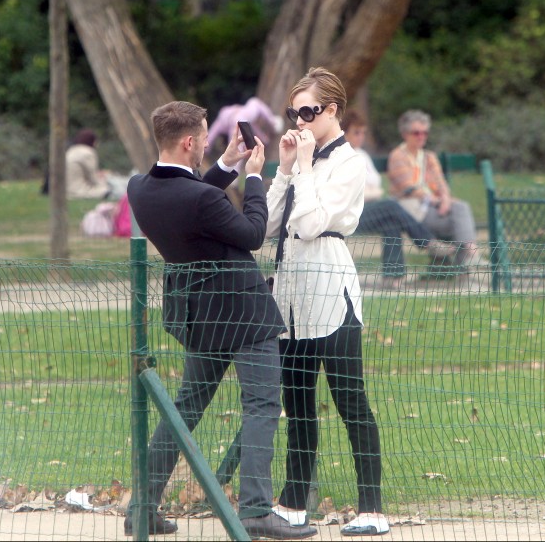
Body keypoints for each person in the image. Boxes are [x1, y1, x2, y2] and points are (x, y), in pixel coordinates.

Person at [126, 101, 316, 540]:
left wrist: (228, 162)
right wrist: (254, 176)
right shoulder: (201, 197)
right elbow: (250, 233)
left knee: (184, 410)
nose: (209, 145)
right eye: (207, 139)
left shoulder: (140, 188)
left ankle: (142, 507)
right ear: (189, 141)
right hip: (244, 312)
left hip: (200, 315)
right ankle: (253, 509)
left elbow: (193, 198)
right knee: (262, 406)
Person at [266, 67, 389, 537]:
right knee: (296, 403)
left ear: (331, 111)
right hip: (290, 292)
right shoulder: (302, 158)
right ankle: (295, 503)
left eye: (306, 112)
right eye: (292, 112)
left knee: (350, 400)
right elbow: (266, 227)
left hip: (331, 290)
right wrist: (283, 169)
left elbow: (315, 223)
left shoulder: (348, 163)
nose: (298, 121)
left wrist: (303, 168)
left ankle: (372, 508)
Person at [342, 109, 456, 288]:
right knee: (391, 205)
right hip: (350, 213)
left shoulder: (361, 155)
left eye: (363, 132)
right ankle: (427, 242)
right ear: (344, 133)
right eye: (356, 132)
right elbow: (352, 192)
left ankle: (392, 277)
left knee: (391, 221)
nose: (361, 137)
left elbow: (375, 188)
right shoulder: (341, 156)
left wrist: (372, 192)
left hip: (369, 208)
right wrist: (372, 192)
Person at [387, 109, 479, 267]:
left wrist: (445, 199)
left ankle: (467, 260)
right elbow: (408, 189)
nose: (421, 136)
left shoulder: (429, 157)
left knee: (460, 210)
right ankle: (469, 261)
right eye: (416, 133)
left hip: (433, 208)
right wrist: (437, 201)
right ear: (405, 134)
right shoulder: (398, 156)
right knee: (460, 216)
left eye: (425, 133)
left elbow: (441, 183)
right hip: (413, 211)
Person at [65, 129, 129, 200]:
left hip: (66, 191)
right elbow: (94, 178)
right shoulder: (88, 152)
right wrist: (107, 183)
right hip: (80, 191)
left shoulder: (71, 151)